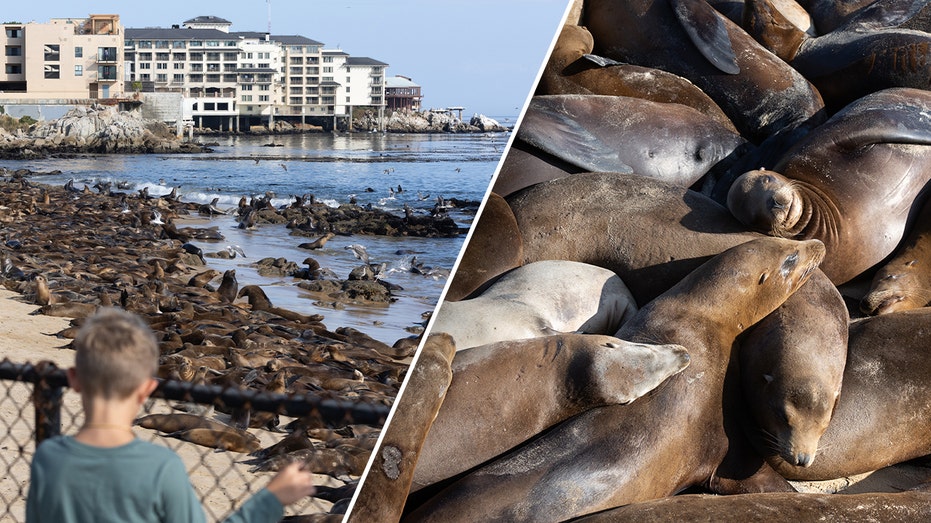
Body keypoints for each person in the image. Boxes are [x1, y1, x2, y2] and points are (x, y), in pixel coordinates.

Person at [26, 307, 317, 522]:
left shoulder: (48, 458)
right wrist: (271, 499)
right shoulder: (161, 468)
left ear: (74, 379)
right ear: (149, 388)